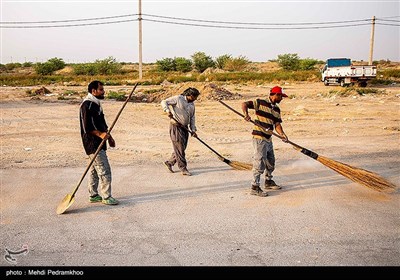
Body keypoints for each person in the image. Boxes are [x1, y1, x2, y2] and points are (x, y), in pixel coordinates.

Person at [242, 86, 289, 197]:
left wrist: (282, 134)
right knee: (259, 162)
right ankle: (255, 187)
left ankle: (268, 181)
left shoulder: (277, 109)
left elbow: (277, 124)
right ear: (275, 95)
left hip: (268, 138)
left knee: (271, 162)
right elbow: (244, 104)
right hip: (259, 138)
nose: (281, 99)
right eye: (281, 96)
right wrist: (246, 114)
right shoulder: (260, 102)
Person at [79, 80, 118, 205]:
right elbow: (87, 127)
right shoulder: (87, 105)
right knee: (104, 169)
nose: (103, 91)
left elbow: (102, 124)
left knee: (94, 170)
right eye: (101, 89)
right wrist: (100, 134)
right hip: (92, 143)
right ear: (93, 91)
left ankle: (93, 195)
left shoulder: (96, 104)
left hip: (99, 142)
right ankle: (106, 197)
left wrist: (109, 137)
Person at [161, 87, 200, 176]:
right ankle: (183, 168)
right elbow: (164, 102)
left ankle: (170, 162)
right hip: (176, 126)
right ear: (189, 95)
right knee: (180, 148)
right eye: (195, 97)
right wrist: (167, 111)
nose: (195, 99)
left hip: (185, 128)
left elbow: (192, 118)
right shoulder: (178, 98)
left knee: (181, 148)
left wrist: (193, 130)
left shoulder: (192, 105)